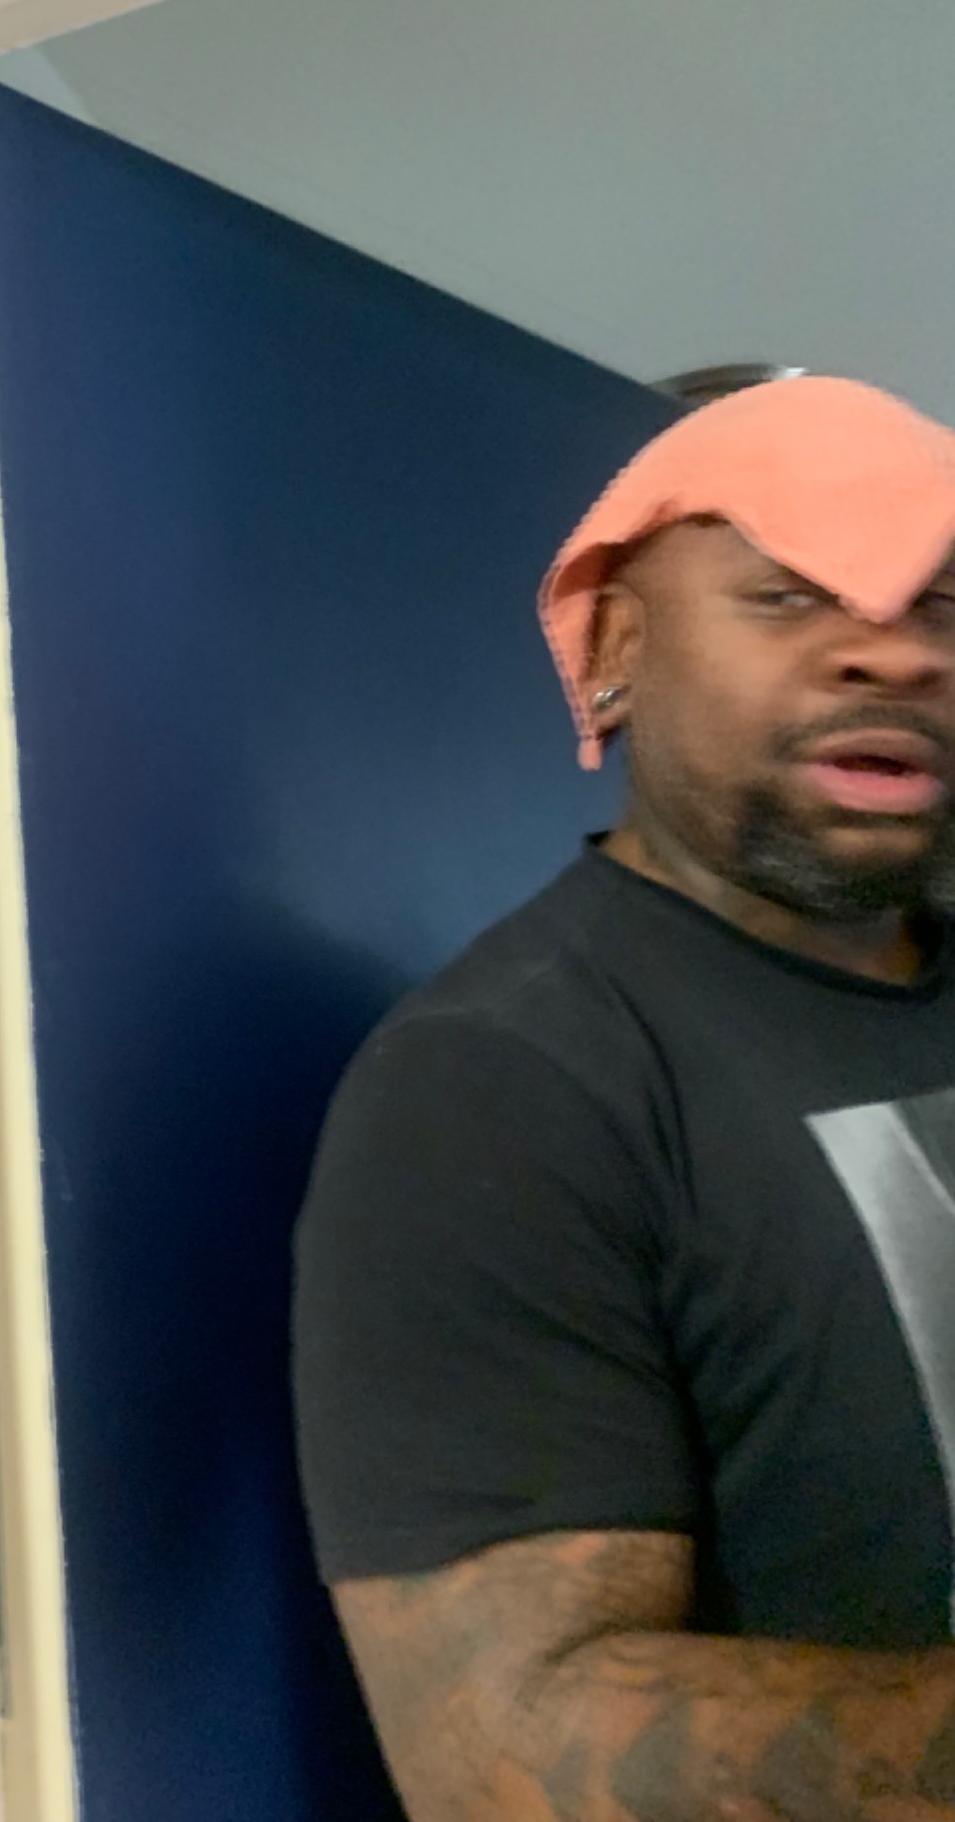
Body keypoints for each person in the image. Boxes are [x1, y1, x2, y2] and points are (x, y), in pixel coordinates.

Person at [292, 376, 955, 1822]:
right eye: (789, 597)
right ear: (616, 652)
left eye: (943, 607)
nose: (895, 653)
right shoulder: (500, 1085)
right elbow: (500, 1748)